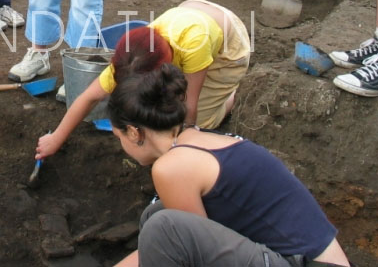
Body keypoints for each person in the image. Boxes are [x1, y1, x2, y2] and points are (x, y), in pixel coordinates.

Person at [109, 64, 351, 267]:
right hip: (293, 257)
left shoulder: (171, 167)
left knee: (163, 227)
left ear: (133, 132)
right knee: (156, 214)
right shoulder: (198, 140)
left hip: (307, 263)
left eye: (118, 136)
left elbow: (190, 254)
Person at [36, 0, 250, 159]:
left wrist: (178, 151)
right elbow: (89, 97)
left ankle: (232, 97)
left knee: (203, 121)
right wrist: (56, 138)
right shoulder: (132, 55)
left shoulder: (193, 44)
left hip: (228, 48)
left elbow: (190, 108)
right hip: (192, 12)